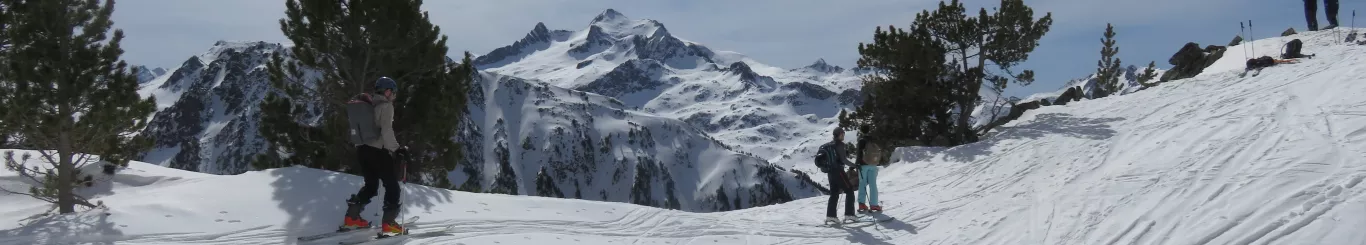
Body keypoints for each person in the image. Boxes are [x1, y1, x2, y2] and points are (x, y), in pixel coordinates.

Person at [340, 77, 409, 236]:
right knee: (392, 186)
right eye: (393, 92)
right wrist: (397, 149)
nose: (394, 96)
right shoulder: (386, 106)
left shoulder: (369, 105)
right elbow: (386, 131)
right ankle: (389, 223)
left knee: (371, 186)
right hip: (378, 152)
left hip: (362, 151)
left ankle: (352, 218)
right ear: (387, 91)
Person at [820, 128, 859, 225]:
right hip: (839, 171)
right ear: (838, 135)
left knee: (834, 193)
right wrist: (855, 165)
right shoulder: (840, 145)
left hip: (830, 172)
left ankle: (831, 216)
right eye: (842, 134)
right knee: (849, 190)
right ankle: (849, 214)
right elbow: (844, 160)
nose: (843, 135)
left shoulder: (829, 145)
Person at [856, 125, 882, 213]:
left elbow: (859, 154)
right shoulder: (873, 140)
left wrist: (856, 164)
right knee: (873, 184)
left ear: (861, 131)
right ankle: (874, 205)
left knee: (862, 183)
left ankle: (862, 204)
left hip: (863, 165)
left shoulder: (861, 140)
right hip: (873, 164)